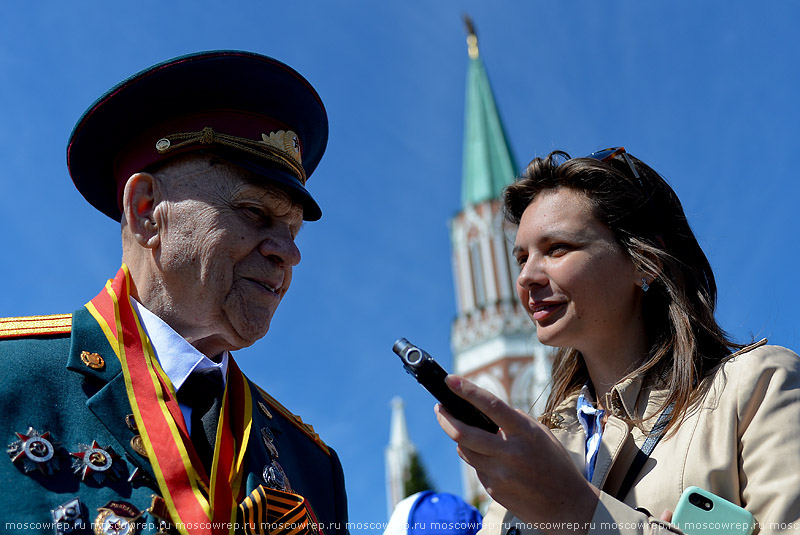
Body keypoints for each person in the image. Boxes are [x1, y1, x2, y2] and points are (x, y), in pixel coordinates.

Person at [0, 51, 348, 535]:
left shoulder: (311, 465)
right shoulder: (10, 381)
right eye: (254, 213)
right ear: (146, 211)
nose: (289, 253)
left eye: (293, 230)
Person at [435, 148, 800, 534]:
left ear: (644, 261)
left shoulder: (757, 388)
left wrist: (574, 506)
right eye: (521, 258)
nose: (527, 276)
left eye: (557, 248)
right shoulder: (539, 449)